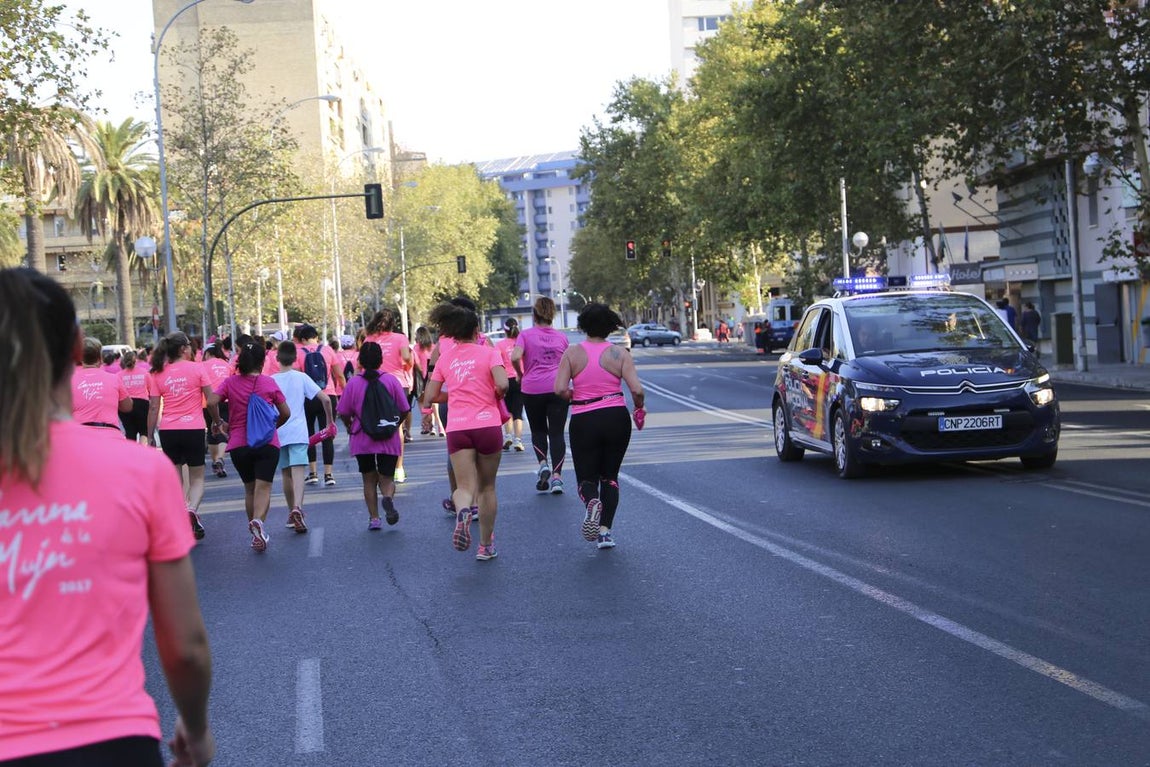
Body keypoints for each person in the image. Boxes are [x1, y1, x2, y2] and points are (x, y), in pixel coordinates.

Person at [0, 267, 214, 766]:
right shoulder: (142, 470)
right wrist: (196, 729)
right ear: (78, 347)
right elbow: (184, 647)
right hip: (111, 741)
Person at [422, 302, 508, 560]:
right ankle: (485, 546)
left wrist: (456, 395)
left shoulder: (445, 358)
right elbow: (503, 384)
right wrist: (493, 393)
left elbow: (430, 397)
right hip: (487, 424)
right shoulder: (489, 353)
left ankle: (462, 511)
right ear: (476, 330)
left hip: (458, 427)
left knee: (464, 486)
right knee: (487, 488)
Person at [554, 303, 645, 550]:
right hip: (616, 417)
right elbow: (637, 390)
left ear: (583, 325)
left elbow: (559, 389)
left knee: (586, 477)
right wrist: (639, 408)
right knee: (610, 477)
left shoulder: (572, 353)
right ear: (610, 326)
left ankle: (591, 501)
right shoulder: (620, 354)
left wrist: (573, 395)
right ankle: (605, 533)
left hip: (584, 418)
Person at [206, 340, 289, 553]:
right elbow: (286, 412)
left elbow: (212, 401)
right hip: (267, 443)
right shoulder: (269, 383)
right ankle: (258, 522)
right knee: (264, 487)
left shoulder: (230, 382)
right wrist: (271, 427)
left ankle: (254, 533)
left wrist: (218, 422)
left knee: (250, 488)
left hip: (239, 444)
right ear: (262, 362)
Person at [148, 331, 215, 542]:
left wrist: (150, 436)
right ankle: (191, 509)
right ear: (183, 349)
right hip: (194, 428)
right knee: (197, 478)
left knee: (175, 480)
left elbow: (153, 407)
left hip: (169, 430)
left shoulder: (158, 373)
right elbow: (211, 400)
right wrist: (217, 421)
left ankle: (181, 515)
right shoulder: (197, 368)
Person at [337, 341, 410, 531]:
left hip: (362, 437)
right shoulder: (391, 380)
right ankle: (387, 498)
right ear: (381, 359)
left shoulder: (353, 383)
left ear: (360, 360)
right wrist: (395, 425)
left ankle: (374, 519)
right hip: (388, 436)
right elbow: (404, 408)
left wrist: (349, 425)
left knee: (368, 478)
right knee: (387, 477)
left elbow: (343, 411)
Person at [510, 296, 570, 494]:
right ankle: (557, 478)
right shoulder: (562, 338)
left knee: (538, 430)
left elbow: (515, 356)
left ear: (534, 315)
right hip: (557, 389)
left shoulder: (525, 335)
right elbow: (569, 363)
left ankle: (543, 464)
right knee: (557, 433)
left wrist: (520, 374)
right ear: (553, 315)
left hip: (532, 389)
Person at [273, 341, 334, 534]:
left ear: (277, 358)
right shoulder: (301, 377)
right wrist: (329, 422)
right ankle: (298, 507)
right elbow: (325, 399)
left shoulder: (271, 380)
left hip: (278, 432)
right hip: (299, 432)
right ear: (295, 359)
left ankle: (291, 512)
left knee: (286, 474)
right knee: (298, 473)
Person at [364, 308, 414, 481]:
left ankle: (379, 465)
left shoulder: (369, 338)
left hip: (373, 384)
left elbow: (361, 361)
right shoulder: (400, 338)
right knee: (397, 426)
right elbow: (406, 357)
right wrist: (409, 364)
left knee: (374, 423)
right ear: (393, 323)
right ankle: (398, 468)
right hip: (397, 383)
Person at [293, 324, 342, 488]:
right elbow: (339, 375)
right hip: (328, 395)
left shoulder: (298, 352)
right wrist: (342, 394)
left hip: (308, 397)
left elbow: (296, 377)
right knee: (328, 434)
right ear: (316, 337)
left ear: (303, 339)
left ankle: (312, 473)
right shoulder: (328, 350)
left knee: (308, 434)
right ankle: (328, 474)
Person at [71, 336, 131, 432]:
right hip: (109, 432)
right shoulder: (114, 379)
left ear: (81, 358)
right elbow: (127, 407)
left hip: (80, 433)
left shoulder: (70, 381)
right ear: (100, 357)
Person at [201, 344, 232, 478]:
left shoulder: (202, 366)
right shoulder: (227, 365)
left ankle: (216, 462)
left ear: (207, 353)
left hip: (207, 402)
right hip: (225, 400)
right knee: (223, 430)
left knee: (211, 431)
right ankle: (220, 458)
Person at [497, 319, 525, 452]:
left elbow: (497, 364)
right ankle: (518, 440)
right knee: (518, 411)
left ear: (505, 330)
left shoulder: (500, 345)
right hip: (520, 379)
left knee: (507, 410)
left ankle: (508, 436)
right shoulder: (522, 343)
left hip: (505, 380)